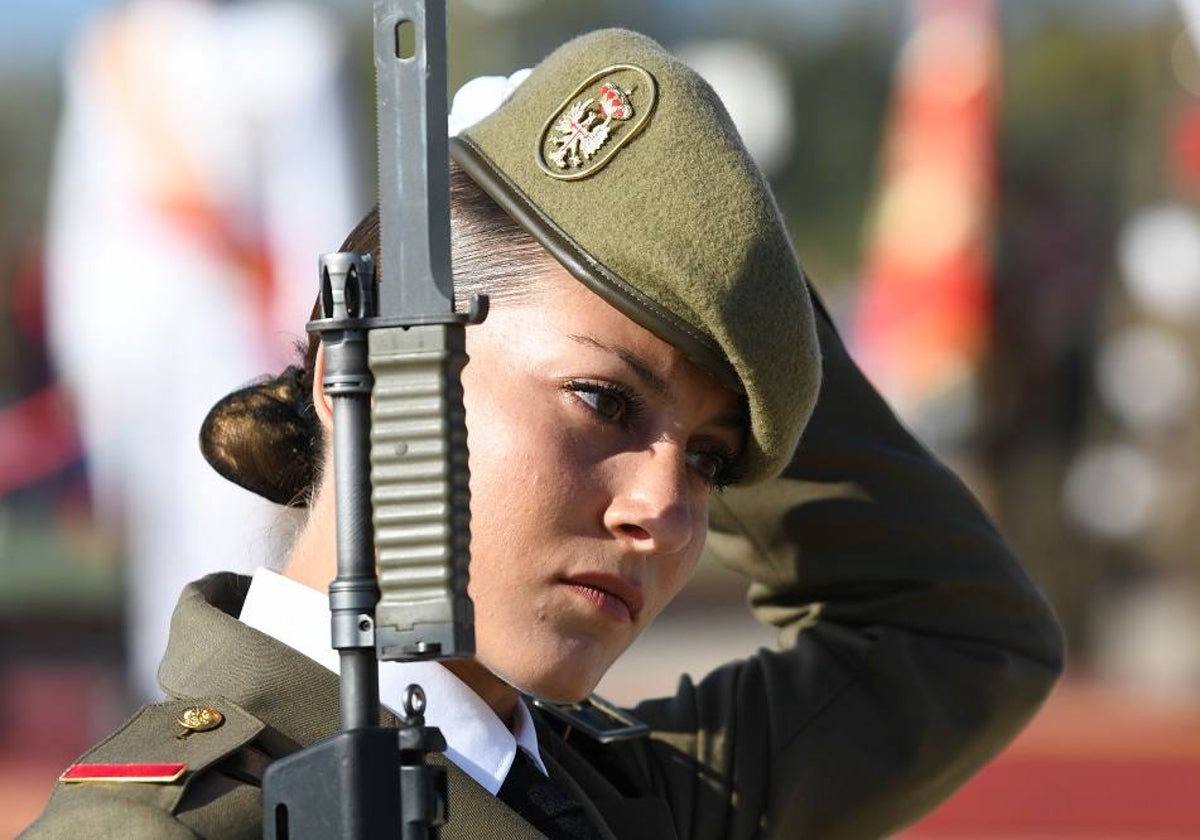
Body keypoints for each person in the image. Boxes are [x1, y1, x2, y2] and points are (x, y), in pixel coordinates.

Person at [23, 29, 1063, 839]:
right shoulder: (176, 825)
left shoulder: (631, 800)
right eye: (605, 403)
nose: (666, 508)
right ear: (376, 376)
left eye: (710, 458)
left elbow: (956, 636)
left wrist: (726, 283)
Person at [43, 0, 362, 701]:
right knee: (157, 561)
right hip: (137, 347)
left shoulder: (294, 45)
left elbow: (322, 208)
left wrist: (311, 350)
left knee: (247, 535)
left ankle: (253, 710)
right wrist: (84, 365)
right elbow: (86, 219)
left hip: (243, 343)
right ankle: (168, 718)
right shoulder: (116, 48)